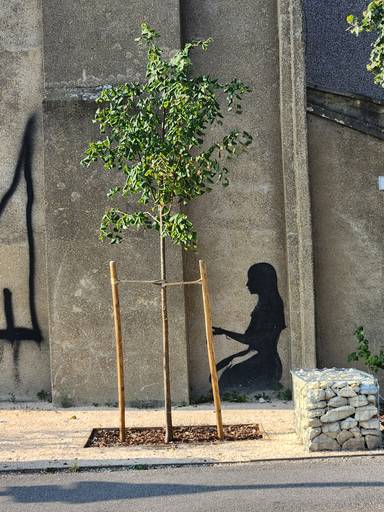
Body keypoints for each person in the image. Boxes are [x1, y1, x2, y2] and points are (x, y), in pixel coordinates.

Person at [213, 262, 286, 391]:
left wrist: (224, 332)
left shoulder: (270, 307)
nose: (247, 284)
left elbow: (254, 340)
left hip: (265, 363)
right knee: (219, 372)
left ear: (261, 282)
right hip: (259, 356)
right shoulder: (265, 304)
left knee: (227, 377)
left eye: (251, 280)